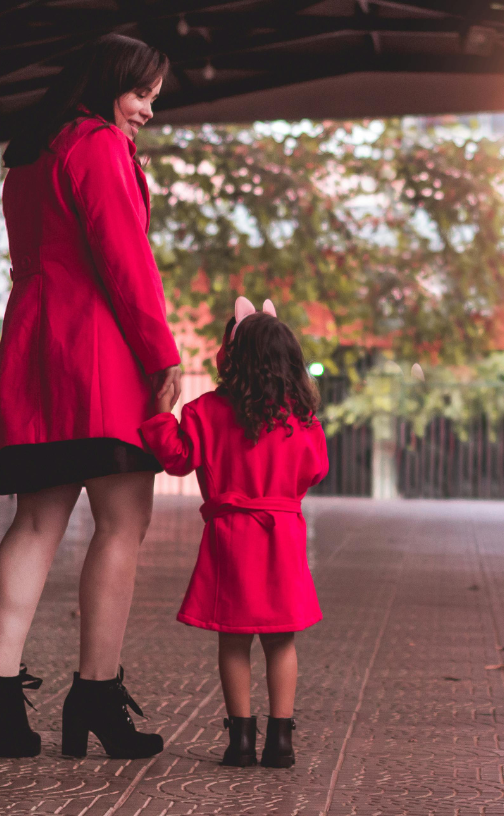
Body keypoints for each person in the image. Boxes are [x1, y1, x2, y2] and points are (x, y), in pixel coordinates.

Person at [0, 34, 182, 761]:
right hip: (96, 353)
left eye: (154, 98)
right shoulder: (95, 145)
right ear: (107, 84)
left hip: (35, 351)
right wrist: (162, 355)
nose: (148, 110)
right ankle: (96, 695)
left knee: (35, 523)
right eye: (141, 93)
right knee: (123, 521)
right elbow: (124, 258)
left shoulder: (29, 154)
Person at [137, 298, 327, 769]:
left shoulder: (206, 411)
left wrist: (163, 414)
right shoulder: (301, 419)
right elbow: (316, 470)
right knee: (281, 639)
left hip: (231, 536)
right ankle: (281, 741)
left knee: (234, 638)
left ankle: (240, 740)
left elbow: (177, 459)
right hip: (282, 534)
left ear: (231, 356)